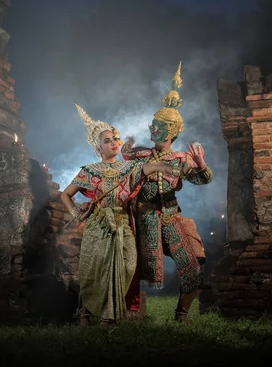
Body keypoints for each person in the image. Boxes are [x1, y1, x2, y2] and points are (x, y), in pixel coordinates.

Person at [60, 103, 181, 327]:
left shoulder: (128, 168)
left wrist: (163, 168)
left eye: (114, 139)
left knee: (127, 265)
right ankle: (92, 315)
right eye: (107, 141)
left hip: (122, 222)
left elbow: (147, 168)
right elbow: (66, 195)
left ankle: (109, 312)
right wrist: (76, 212)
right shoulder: (89, 171)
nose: (114, 143)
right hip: (98, 224)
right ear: (98, 149)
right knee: (95, 271)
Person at [122, 62, 212, 324]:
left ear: (171, 130)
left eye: (157, 125)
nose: (152, 129)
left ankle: (181, 314)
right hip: (143, 220)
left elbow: (202, 180)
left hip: (171, 218)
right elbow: (125, 167)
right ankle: (127, 313)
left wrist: (201, 165)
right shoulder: (141, 154)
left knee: (193, 269)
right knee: (130, 267)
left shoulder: (182, 158)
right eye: (152, 124)